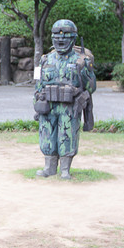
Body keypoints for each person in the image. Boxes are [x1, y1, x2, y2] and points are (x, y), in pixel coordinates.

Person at [34, 19, 96, 180]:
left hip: (69, 107)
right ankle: (49, 168)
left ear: (73, 38)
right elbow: (38, 83)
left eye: (65, 37)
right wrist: (37, 101)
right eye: (56, 37)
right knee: (47, 135)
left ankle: (65, 170)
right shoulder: (45, 59)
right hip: (48, 106)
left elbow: (91, 87)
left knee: (67, 135)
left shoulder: (81, 60)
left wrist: (86, 71)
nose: (60, 40)